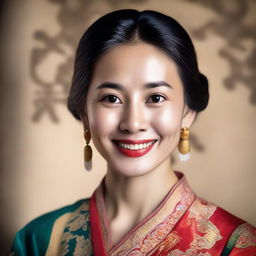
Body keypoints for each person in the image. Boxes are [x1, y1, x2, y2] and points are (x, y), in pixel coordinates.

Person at [10, 9, 256, 256]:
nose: (133, 122)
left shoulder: (235, 244)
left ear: (188, 111)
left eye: (156, 97)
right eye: (111, 98)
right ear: (85, 112)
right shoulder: (40, 240)